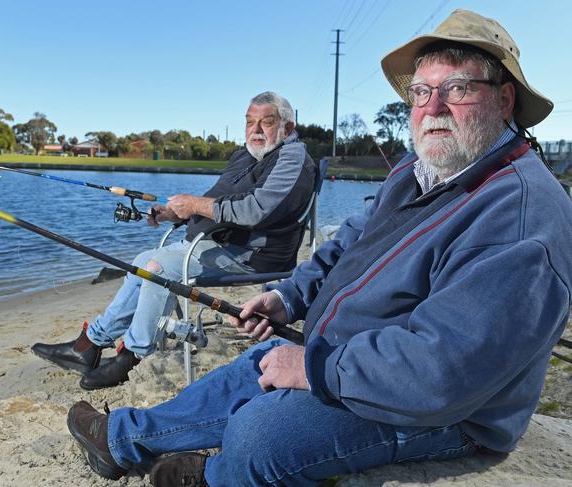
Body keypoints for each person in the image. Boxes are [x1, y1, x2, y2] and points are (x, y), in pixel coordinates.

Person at [66, 9, 572, 486]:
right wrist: (291, 297)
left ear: (504, 100)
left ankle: (212, 475)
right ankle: (122, 440)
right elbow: (350, 240)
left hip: (450, 408)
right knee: (257, 363)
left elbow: (446, 369)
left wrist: (314, 369)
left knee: (260, 434)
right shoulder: (417, 171)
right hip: (352, 356)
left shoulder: (523, 216)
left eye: (456, 88)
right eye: (421, 92)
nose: (432, 108)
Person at [32, 91, 316, 390]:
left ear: (287, 127)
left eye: (266, 122)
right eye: (249, 122)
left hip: (253, 254)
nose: (255, 130)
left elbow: (254, 209)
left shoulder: (293, 158)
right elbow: (215, 198)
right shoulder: (246, 154)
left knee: (157, 268)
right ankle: (89, 344)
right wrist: (174, 214)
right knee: (142, 261)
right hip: (221, 244)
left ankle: (132, 356)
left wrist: (193, 205)